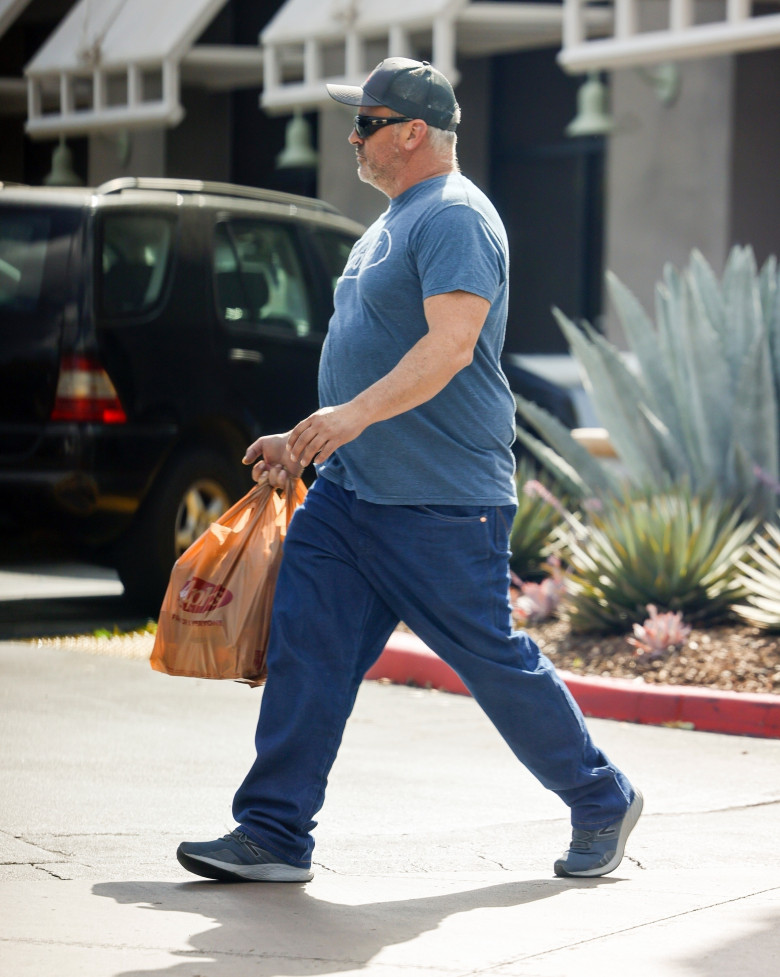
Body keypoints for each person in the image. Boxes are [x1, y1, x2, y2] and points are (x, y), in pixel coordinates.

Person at [177, 58, 642, 883]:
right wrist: (306, 437)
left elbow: (450, 347)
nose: (353, 135)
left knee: (494, 663)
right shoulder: (392, 219)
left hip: (440, 502)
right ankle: (275, 831)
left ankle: (602, 797)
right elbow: (371, 356)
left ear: (413, 131)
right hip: (350, 494)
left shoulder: (457, 216)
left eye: (366, 121)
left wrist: (347, 418)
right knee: (306, 651)